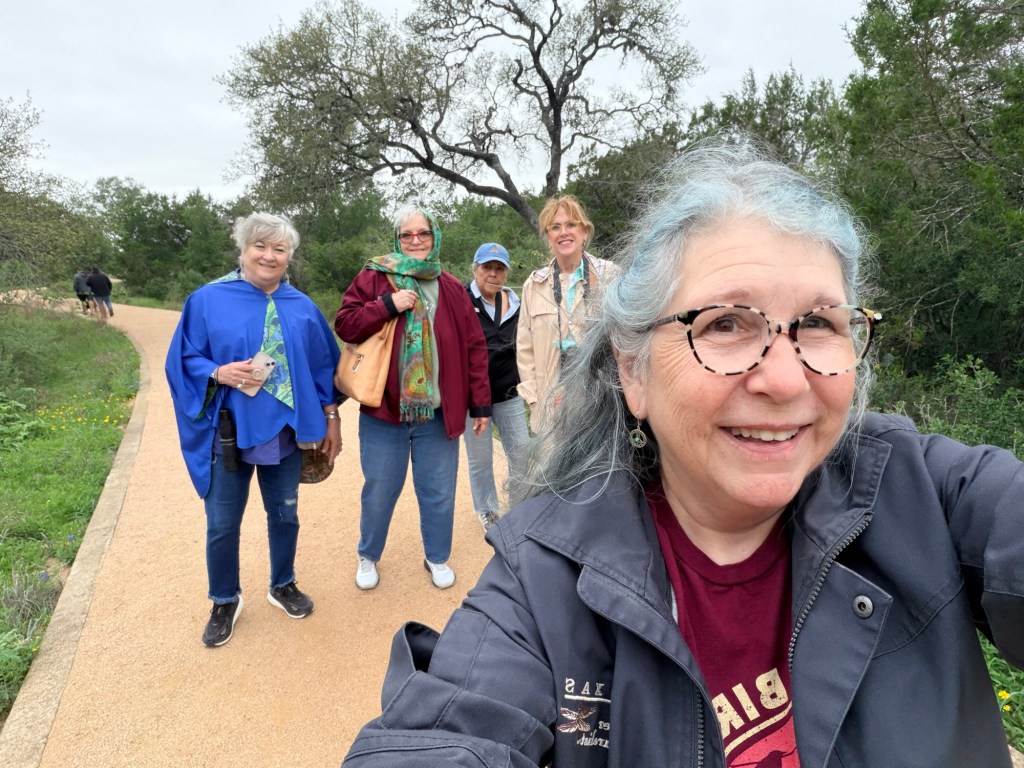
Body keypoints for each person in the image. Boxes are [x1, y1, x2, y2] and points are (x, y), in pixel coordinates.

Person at [341, 140, 1024, 767]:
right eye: (725, 324)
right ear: (632, 371)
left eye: (818, 323)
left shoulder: (923, 491)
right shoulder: (541, 582)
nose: (786, 380)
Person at [165, 212, 342, 648]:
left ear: (289, 256)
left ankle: (283, 583)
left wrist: (332, 419)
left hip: (285, 434)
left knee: (285, 513)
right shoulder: (207, 300)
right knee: (222, 522)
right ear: (243, 251)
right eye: (259, 246)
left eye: (279, 249)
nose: (269, 255)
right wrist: (218, 372)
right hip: (228, 431)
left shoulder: (302, 307)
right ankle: (224, 599)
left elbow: (324, 368)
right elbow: (183, 359)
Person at [335, 204, 491, 592]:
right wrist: (388, 305)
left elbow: (474, 348)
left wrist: (480, 404)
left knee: (438, 492)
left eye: (423, 233)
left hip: (437, 415)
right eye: (407, 234)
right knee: (379, 490)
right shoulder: (374, 277)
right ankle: (368, 554)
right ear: (397, 239)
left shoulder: (450, 287)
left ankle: (436, 556)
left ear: (434, 237)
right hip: (384, 412)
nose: (415, 240)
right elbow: (346, 324)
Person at [516, 194, 616, 435]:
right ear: (547, 236)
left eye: (571, 224)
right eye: (555, 227)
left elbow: (626, 335)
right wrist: (535, 400)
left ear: (584, 231)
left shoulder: (609, 275)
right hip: (551, 407)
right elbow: (524, 348)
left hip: (600, 404)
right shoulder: (534, 285)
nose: (564, 232)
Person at [462, 242, 529, 531]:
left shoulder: (517, 304)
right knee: (480, 458)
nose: (493, 274)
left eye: (499, 269)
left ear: (506, 273)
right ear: (475, 270)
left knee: (522, 452)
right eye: (487, 267)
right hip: (473, 398)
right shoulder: (462, 300)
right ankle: (487, 509)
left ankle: (520, 506)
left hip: (509, 391)